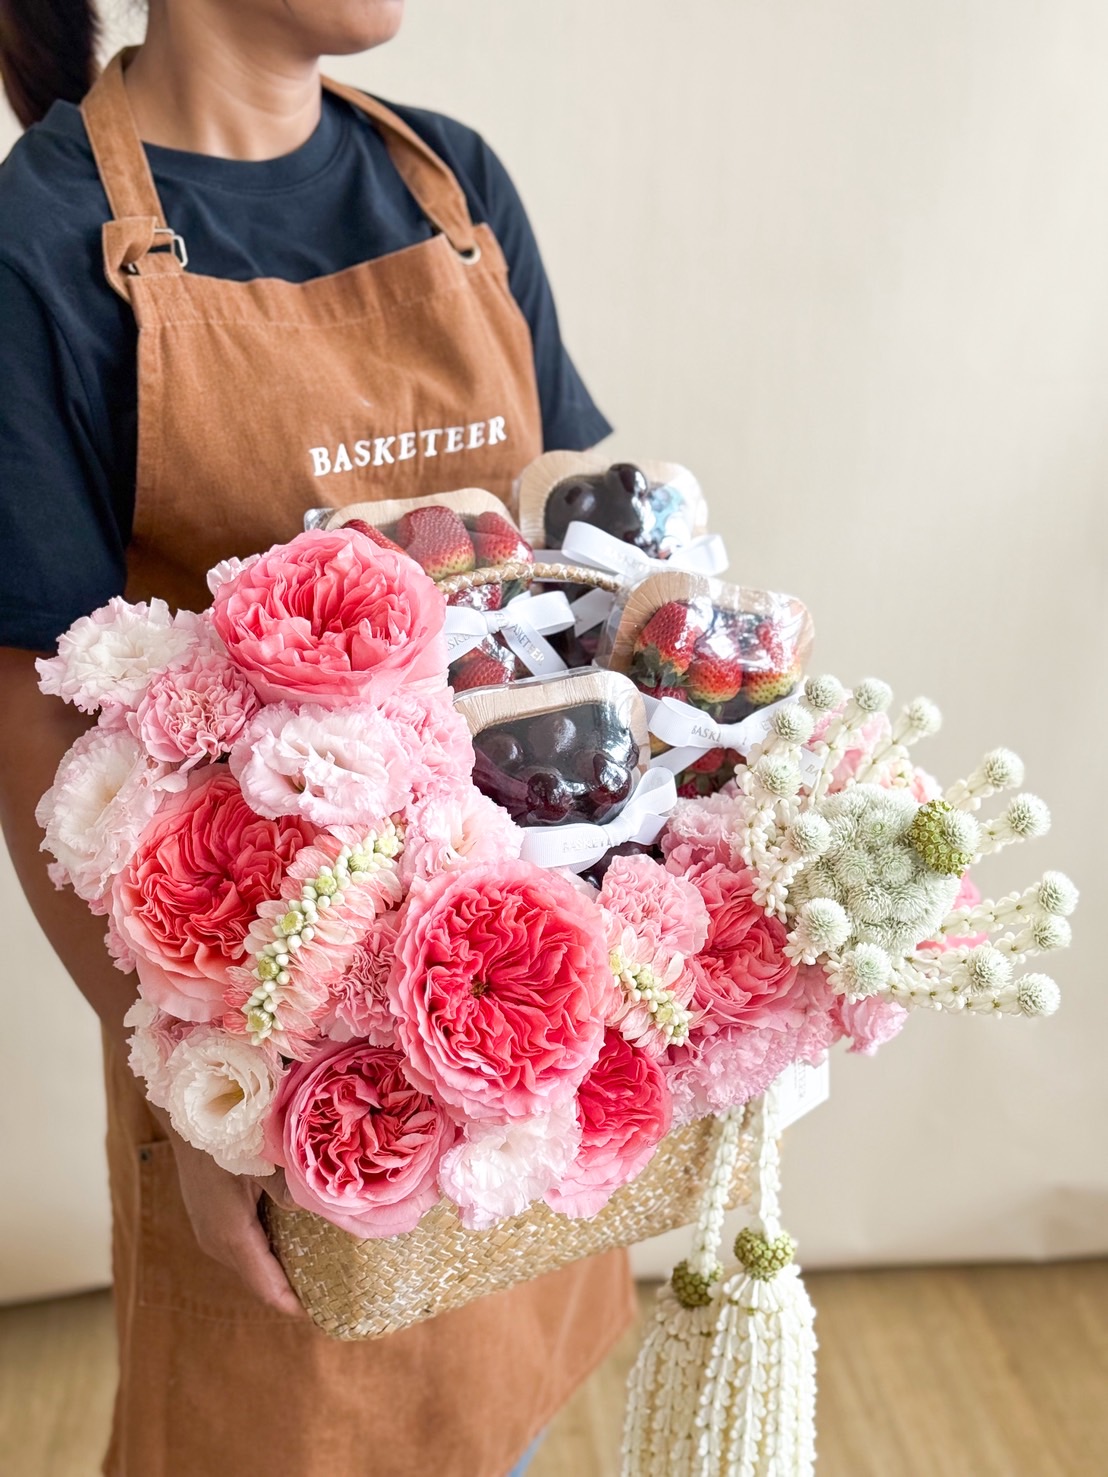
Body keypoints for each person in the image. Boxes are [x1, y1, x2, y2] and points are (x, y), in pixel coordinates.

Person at [0, 3, 635, 1474]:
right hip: (278, 1055)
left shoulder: (447, 185)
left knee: (506, 1420)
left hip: (513, 1013)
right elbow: (31, 728)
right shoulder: (47, 242)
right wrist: (199, 1100)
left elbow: (573, 555)